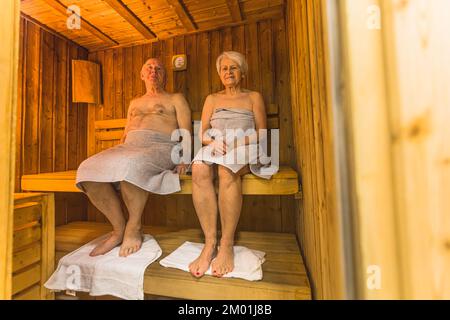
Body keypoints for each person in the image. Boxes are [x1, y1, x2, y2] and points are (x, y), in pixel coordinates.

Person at [76, 58, 191, 257]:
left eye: (159, 68)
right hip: (129, 147)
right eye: (149, 67)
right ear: (142, 75)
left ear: (164, 75)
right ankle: (119, 228)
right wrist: (116, 152)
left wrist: (185, 158)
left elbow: (186, 131)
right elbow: (127, 131)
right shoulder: (134, 103)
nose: (154, 70)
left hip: (161, 145)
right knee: (86, 169)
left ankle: (134, 226)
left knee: (131, 166)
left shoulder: (175, 99)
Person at [189, 51, 275, 278]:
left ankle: (225, 245)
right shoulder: (212, 99)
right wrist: (213, 141)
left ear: (242, 73)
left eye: (233, 68)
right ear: (219, 74)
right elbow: (203, 132)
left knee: (226, 170)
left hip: (246, 144)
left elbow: (261, 132)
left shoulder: (253, 97)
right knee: (198, 168)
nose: (228, 72)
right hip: (218, 145)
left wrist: (236, 141)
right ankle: (209, 244)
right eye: (224, 68)